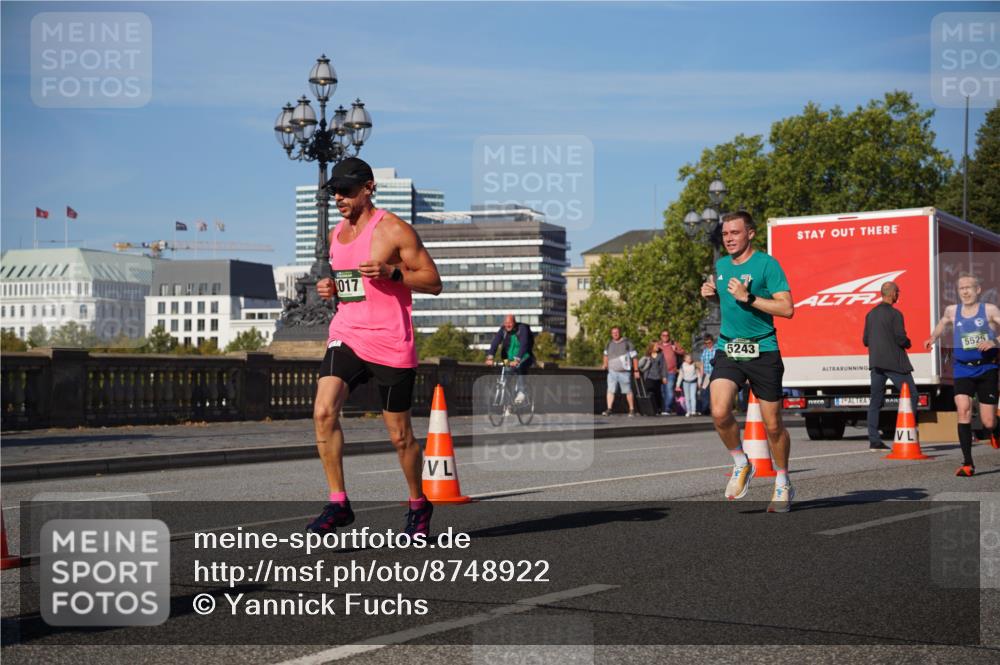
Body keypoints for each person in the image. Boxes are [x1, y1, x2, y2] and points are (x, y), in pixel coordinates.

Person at [309, 157, 443, 538]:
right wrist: (331, 288)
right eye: (334, 191)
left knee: (400, 436)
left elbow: (434, 282)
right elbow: (348, 284)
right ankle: (338, 503)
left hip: (390, 341)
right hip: (348, 333)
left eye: (346, 190)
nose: (339, 197)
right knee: (323, 411)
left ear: (368, 188)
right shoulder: (336, 235)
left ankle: (418, 504)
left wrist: (393, 273)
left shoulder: (394, 230)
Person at [701, 211, 795, 513]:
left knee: (773, 426)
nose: (728, 239)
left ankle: (782, 480)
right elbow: (729, 302)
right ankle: (741, 462)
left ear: (750, 234)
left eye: (735, 233)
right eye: (725, 234)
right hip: (729, 348)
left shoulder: (767, 265)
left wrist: (749, 297)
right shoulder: (722, 265)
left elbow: (787, 308)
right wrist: (712, 296)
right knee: (719, 412)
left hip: (763, 349)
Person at [923, 274, 1000, 476]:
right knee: (963, 410)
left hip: (986, 368)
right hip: (962, 368)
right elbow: (943, 323)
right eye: (961, 288)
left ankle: (996, 431)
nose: (965, 291)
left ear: (978, 290)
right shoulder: (952, 311)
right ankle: (968, 463)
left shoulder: (989, 310)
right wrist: (933, 337)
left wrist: (994, 342)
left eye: (969, 287)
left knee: (988, 422)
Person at [862, 281, 919, 451]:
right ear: (893, 293)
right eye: (897, 292)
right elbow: (901, 338)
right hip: (895, 363)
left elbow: (865, 340)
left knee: (875, 402)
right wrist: (908, 343)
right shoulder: (895, 314)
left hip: (876, 364)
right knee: (912, 395)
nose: (898, 295)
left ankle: (874, 441)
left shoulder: (870, 314)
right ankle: (907, 433)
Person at [486, 314, 534, 404]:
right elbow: (495, 342)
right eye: (506, 323)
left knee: (520, 367)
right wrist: (490, 357)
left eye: (510, 323)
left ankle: (521, 391)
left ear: (514, 322)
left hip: (524, 356)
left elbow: (524, 344)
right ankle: (509, 403)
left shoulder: (522, 329)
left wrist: (518, 359)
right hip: (508, 358)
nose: (508, 325)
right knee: (505, 376)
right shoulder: (503, 330)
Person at [602, 326, 640, 416]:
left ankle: (631, 409)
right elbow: (605, 355)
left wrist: (636, 370)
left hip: (624, 372)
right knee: (610, 390)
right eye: (613, 333)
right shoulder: (609, 343)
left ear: (620, 332)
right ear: (611, 334)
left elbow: (634, 357)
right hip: (612, 372)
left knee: (628, 391)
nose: (615, 334)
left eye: (617, 332)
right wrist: (605, 364)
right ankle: (609, 409)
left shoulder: (627, 342)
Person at [657, 330, 685, 415]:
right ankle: (663, 408)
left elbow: (683, 352)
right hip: (660, 373)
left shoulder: (674, 344)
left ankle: (667, 409)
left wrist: (675, 350)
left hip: (671, 371)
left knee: (669, 391)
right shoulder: (658, 345)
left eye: (667, 335)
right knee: (662, 392)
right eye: (663, 335)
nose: (665, 337)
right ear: (661, 336)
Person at [638, 342, 666, 414]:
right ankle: (651, 408)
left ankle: (659, 408)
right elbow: (640, 364)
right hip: (649, 376)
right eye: (656, 345)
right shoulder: (647, 355)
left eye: (658, 345)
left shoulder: (661, 355)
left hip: (658, 377)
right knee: (650, 392)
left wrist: (664, 376)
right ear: (652, 347)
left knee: (658, 393)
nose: (658, 347)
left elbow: (663, 366)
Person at [679, 353, 702, 418]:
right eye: (688, 358)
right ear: (685, 359)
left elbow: (698, 375)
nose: (690, 359)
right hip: (685, 383)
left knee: (693, 397)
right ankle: (688, 411)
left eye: (690, 358)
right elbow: (680, 375)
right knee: (687, 398)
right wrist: (677, 385)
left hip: (693, 382)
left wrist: (699, 383)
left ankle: (693, 411)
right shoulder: (682, 365)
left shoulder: (694, 365)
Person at [699, 334, 717, 414]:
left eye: (709, 343)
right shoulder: (704, 351)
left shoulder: (717, 350)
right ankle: (705, 409)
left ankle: (715, 409)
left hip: (715, 374)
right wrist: (701, 376)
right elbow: (702, 364)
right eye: (706, 343)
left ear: (712, 341)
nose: (708, 344)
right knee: (704, 392)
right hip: (706, 375)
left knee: (715, 392)